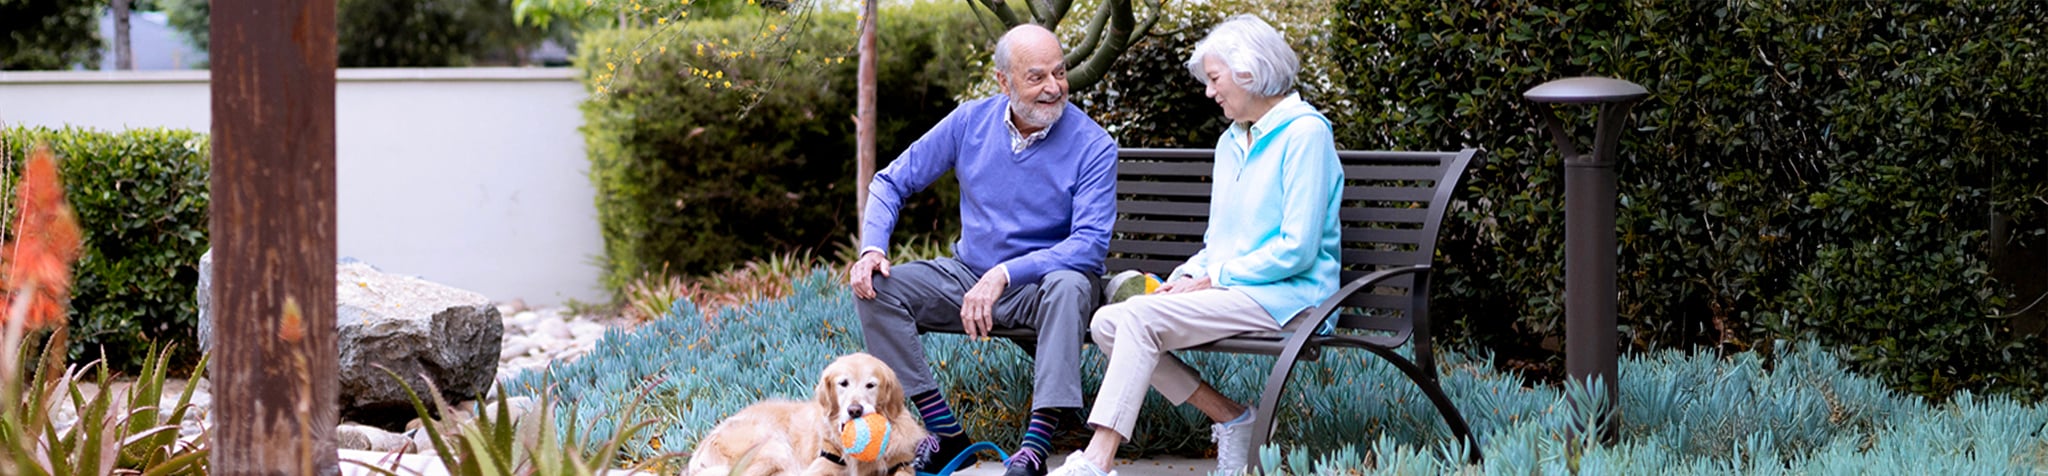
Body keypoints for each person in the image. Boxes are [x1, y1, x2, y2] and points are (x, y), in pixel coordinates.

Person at [1046, 15, 1342, 476]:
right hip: (1237, 290)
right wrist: (1187, 276)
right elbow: (1219, 242)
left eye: (1215, 78)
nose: (1209, 91)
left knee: (1136, 319)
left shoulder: (1306, 134)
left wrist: (1215, 277)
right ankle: (1232, 417)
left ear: (1250, 71)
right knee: (1108, 322)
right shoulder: (1231, 142)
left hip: (1293, 296)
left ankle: (1096, 460)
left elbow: (1297, 249)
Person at [847, 23, 1119, 476]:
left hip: (1043, 289)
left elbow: (1089, 247)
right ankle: (947, 431)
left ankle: (1036, 445)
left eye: (1060, 72)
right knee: (874, 287)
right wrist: (872, 249)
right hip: (967, 278)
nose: (1054, 87)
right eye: (1037, 77)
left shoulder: (1093, 145)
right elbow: (890, 181)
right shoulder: (970, 121)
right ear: (1003, 81)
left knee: (1072, 284)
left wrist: (1006, 274)